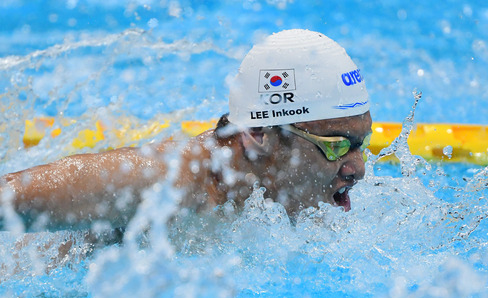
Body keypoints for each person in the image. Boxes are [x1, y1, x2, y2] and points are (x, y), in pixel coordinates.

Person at [0, 29, 372, 233]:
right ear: (259, 134)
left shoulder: (259, 204)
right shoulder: (167, 180)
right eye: (337, 146)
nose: (358, 168)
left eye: (362, 145)